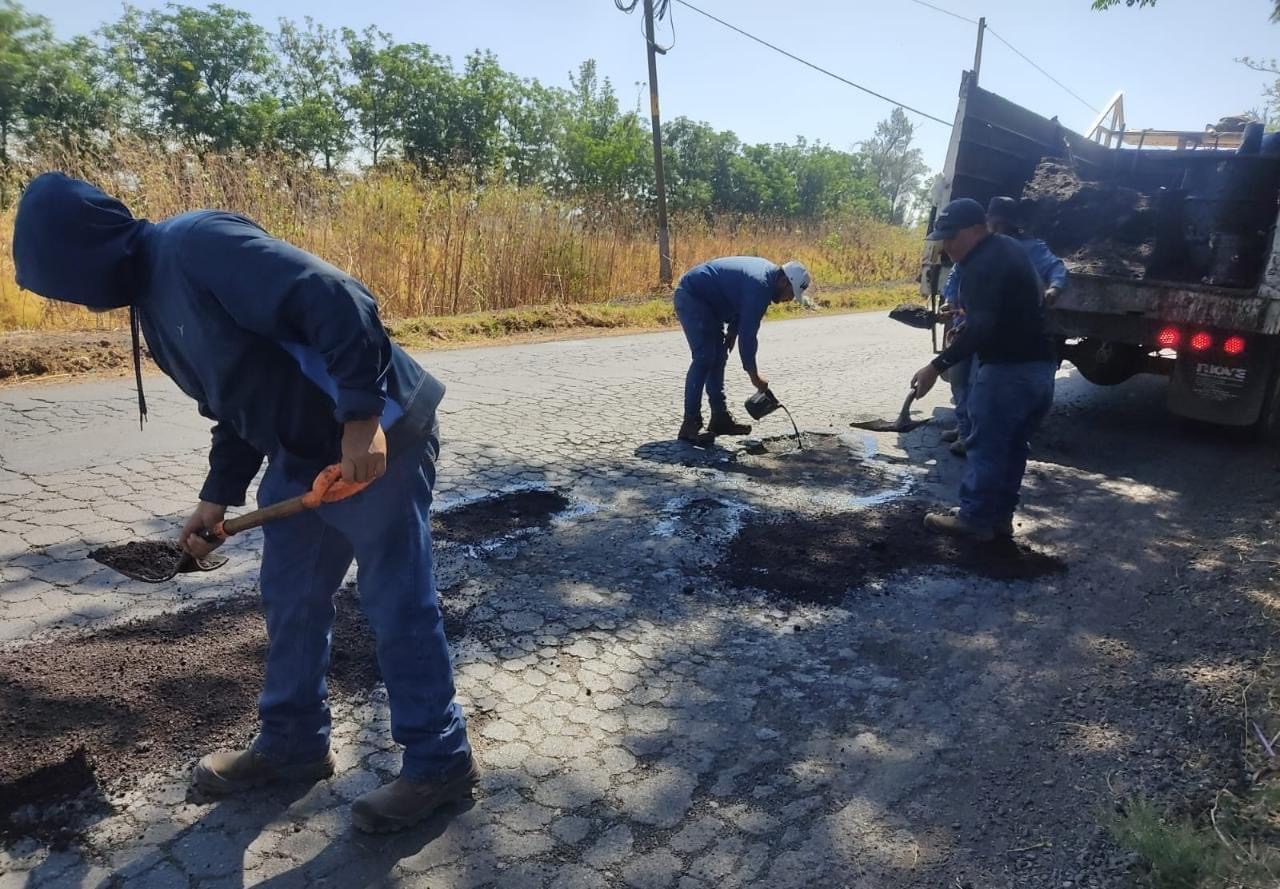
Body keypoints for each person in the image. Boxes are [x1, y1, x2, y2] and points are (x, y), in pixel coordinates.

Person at [13, 172, 475, 834]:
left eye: (65, 280)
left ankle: (440, 760)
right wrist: (218, 494)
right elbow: (240, 401)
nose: (74, 301)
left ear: (87, 250)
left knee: (396, 601)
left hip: (381, 440)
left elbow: (337, 299)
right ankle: (293, 743)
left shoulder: (196, 245)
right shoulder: (149, 304)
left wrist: (360, 420)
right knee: (290, 596)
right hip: (300, 453)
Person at [910, 198, 1056, 541]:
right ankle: (1000, 520)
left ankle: (974, 519)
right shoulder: (1009, 249)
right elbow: (1021, 303)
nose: (946, 247)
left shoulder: (979, 264)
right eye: (942, 239)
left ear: (977, 230)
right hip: (1040, 368)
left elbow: (983, 328)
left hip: (1008, 371)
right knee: (1014, 446)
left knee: (986, 444)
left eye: (951, 238)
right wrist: (970, 316)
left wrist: (936, 365)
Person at [939, 196, 1067, 457]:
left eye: (1000, 224)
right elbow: (957, 277)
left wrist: (1054, 289)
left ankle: (975, 433)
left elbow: (1055, 269)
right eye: (992, 223)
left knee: (979, 386)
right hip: (971, 326)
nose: (995, 229)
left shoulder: (1021, 249)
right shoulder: (974, 252)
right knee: (960, 379)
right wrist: (950, 301)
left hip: (994, 339)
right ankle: (966, 428)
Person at [673, 256, 812, 442]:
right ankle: (690, 423)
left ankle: (719, 418)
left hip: (710, 304)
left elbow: (741, 302)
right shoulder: (761, 286)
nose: (789, 299)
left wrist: (732, 330)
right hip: (693, 297)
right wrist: (755, 377)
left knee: (719, 355)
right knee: (704, 356)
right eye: (791, 293)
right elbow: (748, 336)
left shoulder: (766, 279)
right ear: (784, 281)